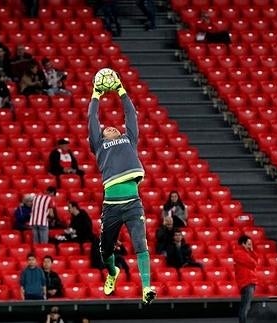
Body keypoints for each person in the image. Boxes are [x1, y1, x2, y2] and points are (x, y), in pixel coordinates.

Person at [87, 71, 155, 304]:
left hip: (133, 202)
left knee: (140, 243)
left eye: (114, 128)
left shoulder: (129, 138)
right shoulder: (98, 145)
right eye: (107, 129)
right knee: (105, 251)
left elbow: (131, 114)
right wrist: (96, 94)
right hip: (111, 206)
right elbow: (92, 121)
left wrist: (121, 91)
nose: (111, 129)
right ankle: (113, 273)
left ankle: (147, 288)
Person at [233, 235, 258, 323]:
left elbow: (256, 261)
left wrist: (251, 251)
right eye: (248, 244)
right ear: (243, 244)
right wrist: (250, 253)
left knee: (246, 306)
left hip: (250, 282)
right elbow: (253, 264)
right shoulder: (239, 253)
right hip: (246, 282)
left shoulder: (247, 252)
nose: (250, 246)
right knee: (245, 307)